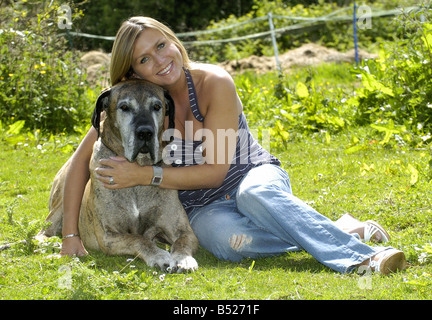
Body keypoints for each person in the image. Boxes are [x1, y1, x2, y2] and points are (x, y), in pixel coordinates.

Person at [58, 16, 406, 275]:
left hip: (250, 177)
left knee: (253, 196)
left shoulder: (214, 83)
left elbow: (216, 172)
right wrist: (70, 234)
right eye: (144, 59)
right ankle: (338, 227)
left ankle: (361, 256)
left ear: (174, 42)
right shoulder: (137, 102)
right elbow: (79, 164)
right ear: (133, 72)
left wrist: (144, 174)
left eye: (161, 45)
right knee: (225, 244)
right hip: (202, 206)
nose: (160, 60)